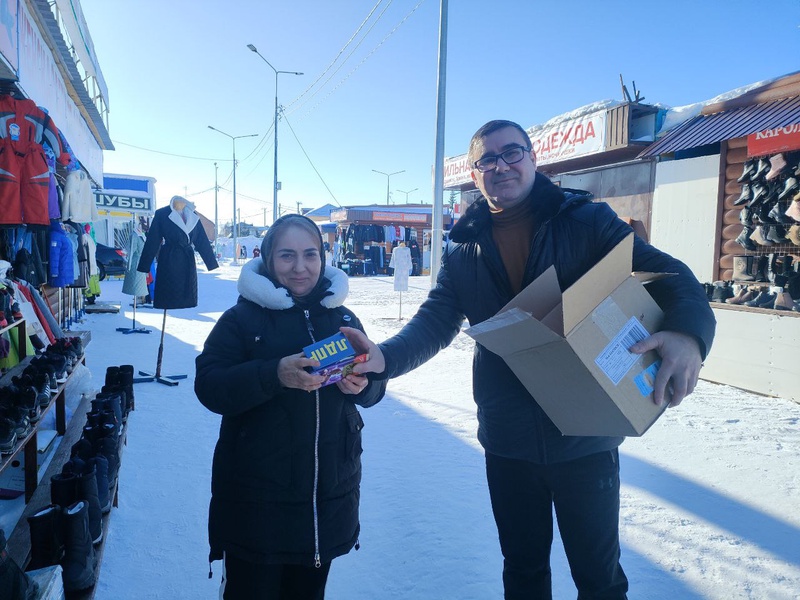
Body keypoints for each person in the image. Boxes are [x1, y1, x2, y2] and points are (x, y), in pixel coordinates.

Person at [346, 119, 716, 599]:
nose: (501, 165)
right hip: (509, 441)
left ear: (533, 159)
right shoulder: (463, 250)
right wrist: (385, 358)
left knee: (599, 578)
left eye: (512, 152)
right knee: (522, 573)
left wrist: (688, 334)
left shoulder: (584, 221)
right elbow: (437, 320)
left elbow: (668, 273)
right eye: (487, 160)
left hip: (585, 434)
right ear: (475, 175)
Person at [195, 213, 386, 600]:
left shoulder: (342, 317)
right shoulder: (241, 319)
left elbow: (374, 385)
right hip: (257, 506)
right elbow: (209, 386)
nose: (301, 267)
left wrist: (362, 386)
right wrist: (273, 375)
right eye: (287, 256)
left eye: (310, 255)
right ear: (267, 259)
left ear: (323, 257)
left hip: (326, 501)